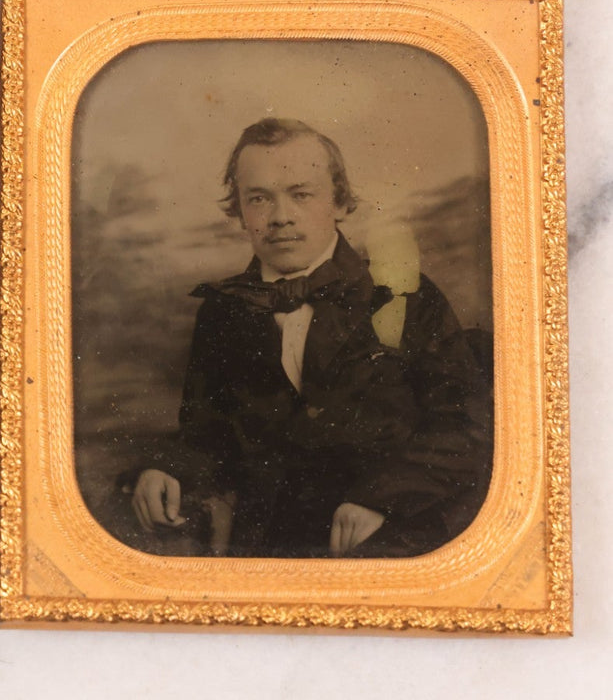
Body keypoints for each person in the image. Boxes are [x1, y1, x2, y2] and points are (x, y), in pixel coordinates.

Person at [127, 118, 492, 558]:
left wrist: (382, 498)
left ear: (338, 202)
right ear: (240, 212)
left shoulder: (403, 294)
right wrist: (167, 469)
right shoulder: (225, 310)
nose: (281, 217)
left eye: (301, 194)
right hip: (269, 543)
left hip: (391, 532)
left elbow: (465, 425)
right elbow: (207, 432)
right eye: (259, 199)